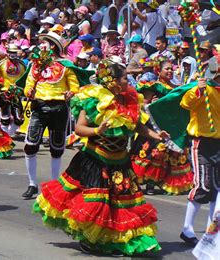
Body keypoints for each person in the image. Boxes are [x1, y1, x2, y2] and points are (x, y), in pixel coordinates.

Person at [33, 59, 165, 256]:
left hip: (120, 161)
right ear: (112, 81)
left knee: (119, 204)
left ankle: (113, 240)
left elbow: (136, 125)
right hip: (96, 160)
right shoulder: (93, 98)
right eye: (124, 77)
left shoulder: (130, 99)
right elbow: (79, 128)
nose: (128, 80)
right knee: (98, 204)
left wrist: (156, 135)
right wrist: (98, 129)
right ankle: (90, 240)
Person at [146, 46, 220, 247]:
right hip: (202, 142)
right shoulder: (202, 87)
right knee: (203, 186)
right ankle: (187, 229)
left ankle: (210, 233)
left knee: (217, 189)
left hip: (219, 142)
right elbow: (186, 104)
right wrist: (199, 90)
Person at [19, 31, 93, 199]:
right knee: (30, 145)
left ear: (52, 46)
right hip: (39, 106)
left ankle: (53, 185)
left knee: (56, 148)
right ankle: (32, 184)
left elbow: (74, 87)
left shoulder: (66, 65)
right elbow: (28, 85)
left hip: (59, 107)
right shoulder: (35, 65)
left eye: (43, 42)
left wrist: (70, 93)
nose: (40, 46)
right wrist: (28, 91)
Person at [131, 60, 193, 195]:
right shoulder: (154, 87)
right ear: (158, 71)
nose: (170, 71)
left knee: (171, 156)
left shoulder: (177, 88)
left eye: (171, 69)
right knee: (154, 154)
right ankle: (149, 184)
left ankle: (165, 183)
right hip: (155, 126)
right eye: (167, 69)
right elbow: (144, 105)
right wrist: (155, 104)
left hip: (172, 127)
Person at [0, 44, 27, 136]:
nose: (12, 54)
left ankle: (8, 134)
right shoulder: (1, 64)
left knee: (19, 118)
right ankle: (5, 137)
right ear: (7, 52)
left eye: (14, 52)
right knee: (5, 118)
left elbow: (26, 78)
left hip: (17, 93)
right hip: (4, 93)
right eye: (10, 52)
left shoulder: (22, 65)